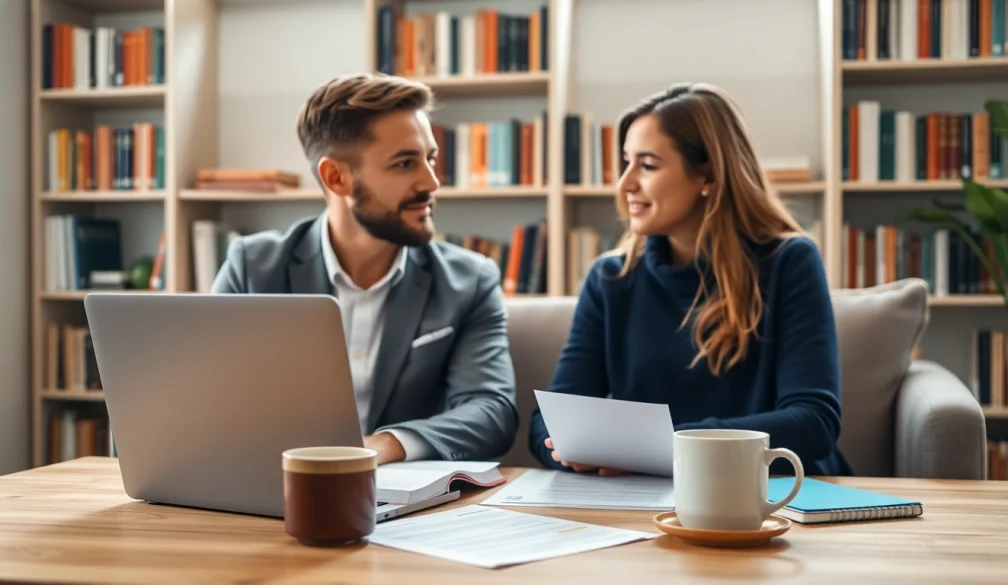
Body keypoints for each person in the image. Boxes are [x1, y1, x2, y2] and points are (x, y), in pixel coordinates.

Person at [530, 82, 852, 477]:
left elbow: (813, 423)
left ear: (709, 176)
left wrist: (658, 449)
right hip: (652, 497)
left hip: (776, 496)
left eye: (647, 165)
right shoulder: (610, 279)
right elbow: (551, 420)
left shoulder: (790, 262)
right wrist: (569, 450)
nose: (625, 183)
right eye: (626, 163)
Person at [211, 72, 518, 465]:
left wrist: (385, 445)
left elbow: (490, 409)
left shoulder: (469, 280)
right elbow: (209, 399)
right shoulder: (252, 268)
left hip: (407, 506)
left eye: (431, 158)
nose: (432, 181)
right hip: (269, 489)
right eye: (405, 163)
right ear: (336, 177)